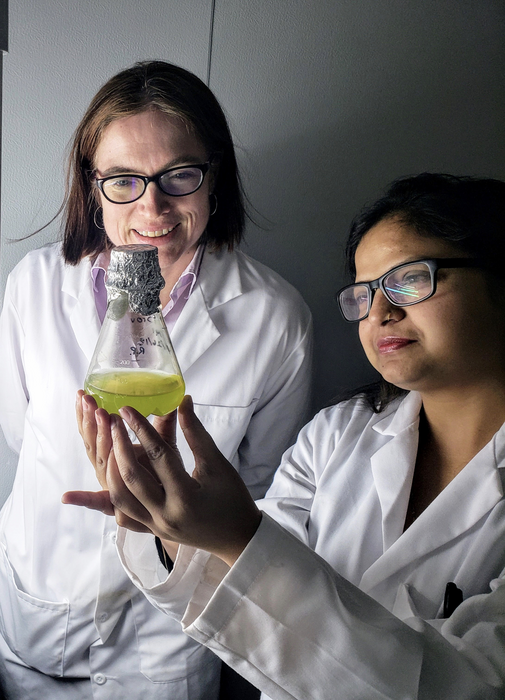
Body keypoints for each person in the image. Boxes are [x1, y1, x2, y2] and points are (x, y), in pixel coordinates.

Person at [66, 173, 505, 699]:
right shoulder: (334, 435)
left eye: (410, 279)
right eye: (364, 293)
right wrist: (168, 528)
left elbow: (470, 688)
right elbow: (240, 597)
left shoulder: (272, 316)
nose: (381, 312)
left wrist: (237, 537)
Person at [0, 61, 312, 699]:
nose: (152, 206)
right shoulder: (33, 286)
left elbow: (260, 498)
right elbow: (18, 435)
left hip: (165, 650)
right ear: (91, 186)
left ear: (213, 177)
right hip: (39, 618)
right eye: (123, 180)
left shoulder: (275, 319)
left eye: (179, 175)